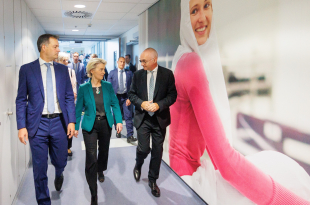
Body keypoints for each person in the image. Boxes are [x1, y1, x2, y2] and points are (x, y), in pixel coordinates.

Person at [169, 0, 310, 204]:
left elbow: (216, 154)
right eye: (194, 10)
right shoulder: (191, 63)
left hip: (187, 174)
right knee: (286, 174)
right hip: (190, 184)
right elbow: (226, 163)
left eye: (207, 6)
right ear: (185, 18)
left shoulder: (182, 57)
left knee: (275, 165)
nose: (202, 17)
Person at [15, 34, 76, 205]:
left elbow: (69, 98)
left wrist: (71, 121)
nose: (58, 50)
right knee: (39, 168)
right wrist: (21, 126)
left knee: (60, 160)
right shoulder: (27, 70)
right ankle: (43, 201)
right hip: (37, 124)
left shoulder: (63, 70)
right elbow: (21, 99)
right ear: (44, 47)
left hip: (59, 122)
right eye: (55, 46)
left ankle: (59, 172)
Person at [128, 48, 177, 197]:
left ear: (154, 60)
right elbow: (131, 94)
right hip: (143, 118)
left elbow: (172, 95)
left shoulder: (167, 74)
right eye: (140, 61)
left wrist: (159, 105)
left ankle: (152, 180)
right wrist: (142, 103)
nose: (141, 63)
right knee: (143, 149)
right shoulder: (137, 75)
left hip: (159, 119)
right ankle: (138, 164)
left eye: (144, 61)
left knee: (157, 151)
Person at [74, 58, 123, 205]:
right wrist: (76, 126)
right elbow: (78, 110)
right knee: (91, 156)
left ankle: (101, 170)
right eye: (101, 69)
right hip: (90, 125)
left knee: (103, 152)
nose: (104, 72)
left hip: (105, 124)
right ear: (92, 71)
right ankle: (93, 193)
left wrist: (119, 121)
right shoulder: (83, 88)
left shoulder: (107, 86)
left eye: (104, 69)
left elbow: (114, 104)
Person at [108, 57, 137, 143]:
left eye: (123, 62)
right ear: (117, 62)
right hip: (115, 97)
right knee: (116, 116)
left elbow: (132, 86)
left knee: (128, 116)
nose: (122, 63)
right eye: (120, 62)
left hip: (125, 97)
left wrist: (130, 98)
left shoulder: (129, 73)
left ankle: (130, 135)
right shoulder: (112, 73)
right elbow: (108, 87)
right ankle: (118, 130)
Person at [58, 52, 77, 157]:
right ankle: (60, 146)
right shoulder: (56, 71)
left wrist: (74, 94)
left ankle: (68, 147)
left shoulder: (70, 71)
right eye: (63, 60)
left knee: (70, 123)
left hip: (69, 101)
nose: (66, 62)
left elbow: (74, 84)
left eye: (66, 60)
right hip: (59, 102)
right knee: (60, 124)